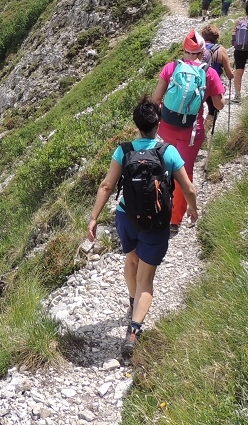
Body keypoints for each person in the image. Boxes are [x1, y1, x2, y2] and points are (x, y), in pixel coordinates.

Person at [87, 94, 198, 361]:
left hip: (126, 216)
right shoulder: (167, 151)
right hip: (156, 221)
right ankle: (134, 330)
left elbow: (106, 185)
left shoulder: (123, 151)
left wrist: (93, 218)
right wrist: (193, 208)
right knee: (147, 277)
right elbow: (188, 187)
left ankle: (132, 301)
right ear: (158, 124)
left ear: (136, 125)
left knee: (131, 260)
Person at [152, 30, 224, 235]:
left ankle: (159, 208)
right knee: (184, 173)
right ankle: (175, 220)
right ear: (202, 52)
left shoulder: (172, 68)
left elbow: (156, 99)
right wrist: (220, 95)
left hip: (166, 128)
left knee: (164, 167)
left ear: (184, 51)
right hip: (191, 131)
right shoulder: (209, 73)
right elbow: (219, 104)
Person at [200, 24, 234, 132]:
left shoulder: (198, 49)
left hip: (197, 83)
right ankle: (203, 135)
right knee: (213, 111)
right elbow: (229, 74)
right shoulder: (221, 50)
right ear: (217, 37)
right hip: (212, 86)